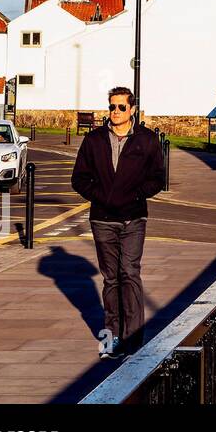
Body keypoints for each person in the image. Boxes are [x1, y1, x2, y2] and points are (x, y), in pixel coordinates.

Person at [70, 86, 166, 359]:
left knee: (129, 273)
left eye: (121, 107)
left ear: (132, 109)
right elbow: (79, 179)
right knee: (111, 279)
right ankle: (111, 337)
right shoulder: (94, 140)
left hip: (134, 217)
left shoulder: (146, 140)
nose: (115, 112)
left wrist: (136, 193)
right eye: (112, 106)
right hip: (102, 220)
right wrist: (100, 196)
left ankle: (133, 338)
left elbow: (157, 178)